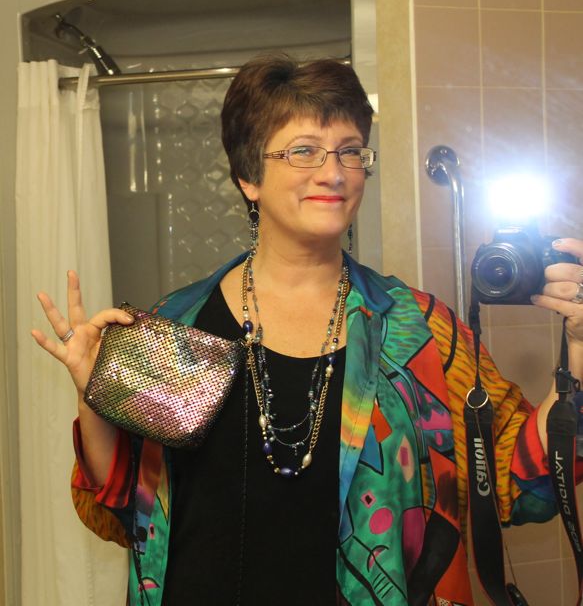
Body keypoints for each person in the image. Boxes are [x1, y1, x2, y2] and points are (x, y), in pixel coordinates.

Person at [32, 54, 583, 606]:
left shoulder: (418, 331)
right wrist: (93, 397)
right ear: (249, 176)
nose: (334, 172)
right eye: (303, 151)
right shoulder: (179, 322)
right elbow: (124, 512)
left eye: (350, 151)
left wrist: (580, 347)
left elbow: (520, 482)